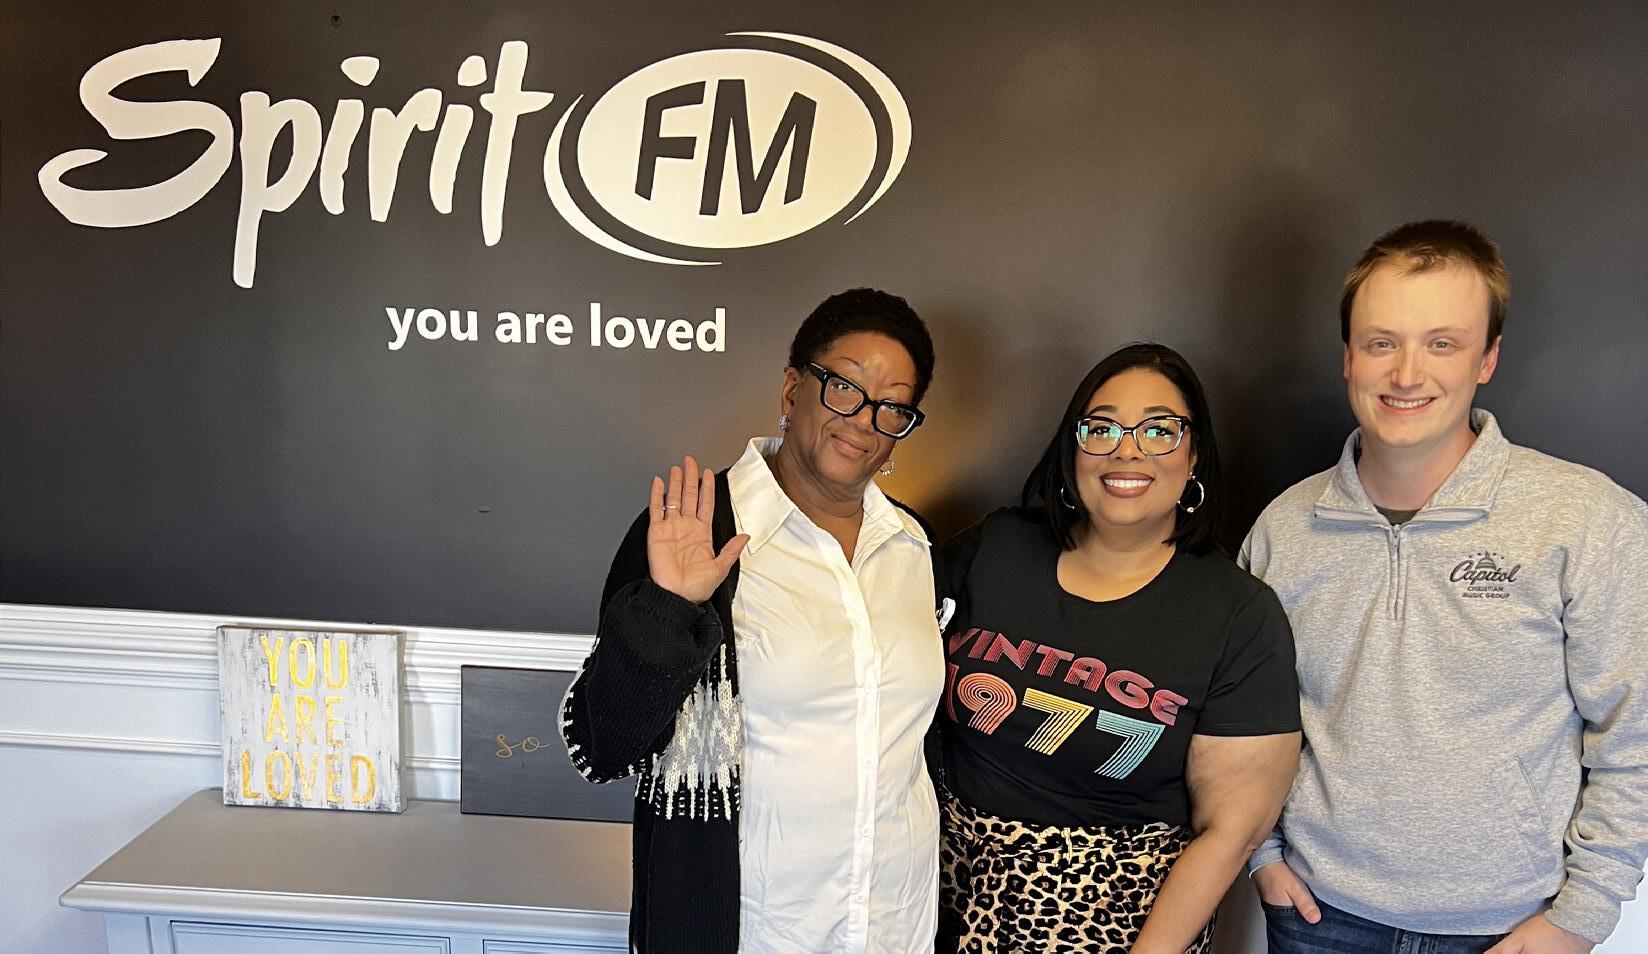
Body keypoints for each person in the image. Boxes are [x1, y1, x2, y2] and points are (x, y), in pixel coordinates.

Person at [1241, 220, 1648, 954]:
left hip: (1509, 928)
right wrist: (1261, 855)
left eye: (1442, 344)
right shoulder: (1285, 529)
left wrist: (1583, 913)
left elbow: (1636, 728)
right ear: (1347, 357)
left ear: (1487, 359)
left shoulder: (1589, 519)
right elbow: (1241, 718)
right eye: (1381, 343)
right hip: (1317, 918)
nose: (1406, 375)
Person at [559, 288, 944, 953]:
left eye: (892, 406)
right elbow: (601, 746)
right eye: (844, 387)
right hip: (745, 933)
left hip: (893, 926)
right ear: (793, 390)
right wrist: (671, 608)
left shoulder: (914, 545)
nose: (864, 420)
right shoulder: (698, 529)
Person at [937, 343, 1302, 952]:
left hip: (1111, 926)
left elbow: (1228, 833)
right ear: (1072, 448)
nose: (1126, 450)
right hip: (937, 902)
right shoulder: (994, 548)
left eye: (1159, 430)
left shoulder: (1238, 615)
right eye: (1101, 428)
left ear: (1193, 456)